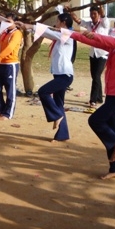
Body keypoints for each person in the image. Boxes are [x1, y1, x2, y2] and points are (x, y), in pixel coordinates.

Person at [71, 15, 115, 179]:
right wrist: (70, 33)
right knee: (111, 130)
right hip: (112, 94)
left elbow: (110, 41)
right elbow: (96, 43)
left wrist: (94, 34)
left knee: (95, 120)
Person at [17, 13, 75, 142]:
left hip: (65, 75)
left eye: (58, 21)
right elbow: (50, 31)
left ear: (64, 22)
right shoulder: (61, 34)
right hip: (59, 74)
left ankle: (57, 116)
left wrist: (30, 26)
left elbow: (48, 33)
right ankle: (62, 134)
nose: (56, 24)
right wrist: (29, 26)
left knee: (43, 91)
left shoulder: (67, 35)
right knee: (59, 103)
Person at [69, 5, 109, 108]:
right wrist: (70, 10)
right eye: (91, 14)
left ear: (98, 14)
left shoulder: (104, 24)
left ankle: (93, 100)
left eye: (94, 14)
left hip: (102, 54)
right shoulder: (89, 24)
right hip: (93, 53)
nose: (92, 16)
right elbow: (78, 20)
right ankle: (99, 97)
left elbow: (104, 15)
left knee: (96, 76)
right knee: (95, 76)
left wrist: (101, 6)